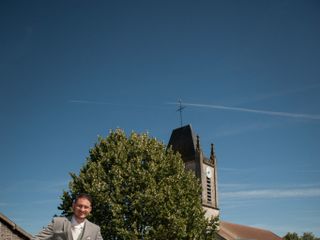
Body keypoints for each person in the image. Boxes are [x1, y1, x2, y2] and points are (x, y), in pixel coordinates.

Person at [33, 193, 103, 240]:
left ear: (90, 209)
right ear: (73, 206)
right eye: (79, 206)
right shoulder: (57, 223)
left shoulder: (95, 230)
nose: (82, 209)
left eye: (86, 207)